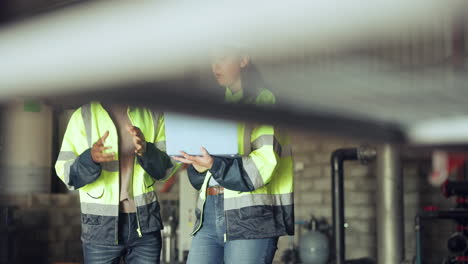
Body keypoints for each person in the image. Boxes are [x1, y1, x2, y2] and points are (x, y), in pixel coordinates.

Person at [173, 46, 295, 264]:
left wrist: (214, 165)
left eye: (221, 57)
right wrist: (198, 167)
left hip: (252, 217)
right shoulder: (215, 107)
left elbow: (262, 169)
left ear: (244, 59)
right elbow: (205, 173)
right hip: (209, 213)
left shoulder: (265, 102)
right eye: (212, 59)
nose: (215, 65)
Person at [55, 102, 179, 264]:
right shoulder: (83, 116)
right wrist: (90, 159)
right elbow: (66, 174)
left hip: (145, 225)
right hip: (100, 227)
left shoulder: (152, 114)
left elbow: (167, 169)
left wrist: (146, 151)